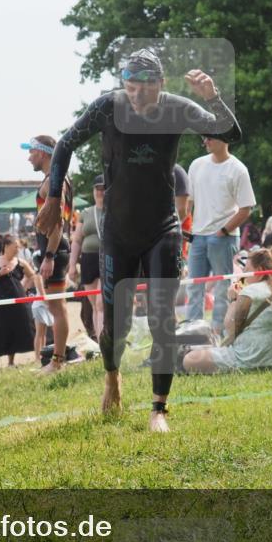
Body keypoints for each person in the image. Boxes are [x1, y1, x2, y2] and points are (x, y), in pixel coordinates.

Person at [36, 47, 240, 432]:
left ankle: (158, 409)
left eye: (144, 89)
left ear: (160, 85)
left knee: (163, 319)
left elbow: (231, 133)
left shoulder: (177, 108)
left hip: (162, 228)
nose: (137, 97)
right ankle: (112, 378)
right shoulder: (108, 107)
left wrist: (212, 96)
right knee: (116, 324)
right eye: (130, 88)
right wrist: (51, 198)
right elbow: (64, 145)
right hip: (117, 232)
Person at [182, 247, 272, 373]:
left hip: (248, 359)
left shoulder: (249, 291)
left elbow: (230, 327)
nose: (243, 275)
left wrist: (233, 298)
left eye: (247, 270)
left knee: (189, 359)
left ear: (259, 272)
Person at [186, 134, 255, 334]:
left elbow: (246, 208)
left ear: (225, 139)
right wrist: (187, 229)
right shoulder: (196, 164)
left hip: (224, 237)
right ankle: (193, 333)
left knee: (223, 288)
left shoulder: (238, 169)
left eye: (209, 138)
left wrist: (223, 231)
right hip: (197, 236)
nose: (205, 141)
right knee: (194, 287)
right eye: (203, 138)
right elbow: (188, 202)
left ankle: (219, 333)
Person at [25, 135, 72, 374]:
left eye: (32, 152)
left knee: (57, 306)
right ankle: (58, 359)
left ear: (43, 153)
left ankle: (57, 361)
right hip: (54, 248)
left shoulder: (54, 181)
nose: (29, 157)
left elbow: (58, 224)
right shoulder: (53, 179)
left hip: (56, 249)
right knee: (55, 306)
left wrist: (50, 256)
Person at [0, 234, 36, 369]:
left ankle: (11, 362)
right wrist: (0, 273)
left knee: (15, 330)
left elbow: (33, 276)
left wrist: (24, 289)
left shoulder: (20, 262)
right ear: (6, 246)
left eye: (18, 247)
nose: (17, 249)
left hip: (18, 302)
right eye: (15, 247)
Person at [69, 175, 105, 339]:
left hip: (108, 259)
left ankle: (105, 341)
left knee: (101, 303)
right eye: (97, 188)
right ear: (93, 191)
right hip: (89, 260)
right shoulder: (86, 213)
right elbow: (77, 239)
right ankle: (98, 340)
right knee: (94, 305)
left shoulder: (115, 211)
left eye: (103, 188)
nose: (100, 192)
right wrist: (71, 265)